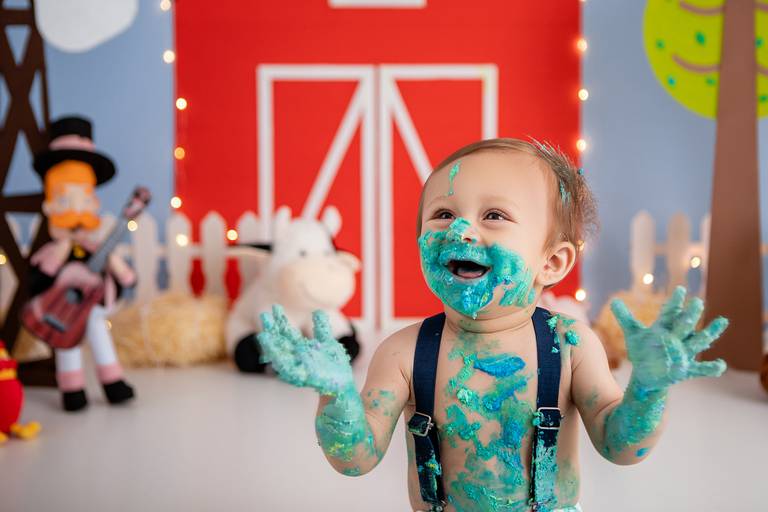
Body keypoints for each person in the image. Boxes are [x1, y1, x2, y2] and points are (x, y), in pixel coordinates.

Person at [257, 138, 728, 511]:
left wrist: (647, 389)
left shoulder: (570, 346)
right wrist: (335, 395)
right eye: (443, 214)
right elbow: (354, 460)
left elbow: (622, 448)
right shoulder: (403, 353)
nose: (460, 230)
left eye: (494, 215)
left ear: (553, 262)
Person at [27, 116, 137, 412]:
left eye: (83, 200)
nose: (76, 213)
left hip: (92, 308)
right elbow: (37, 281)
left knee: (96, 326)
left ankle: (112, 381)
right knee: (68, 341)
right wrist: (62, 249)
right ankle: (72, 388)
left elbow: (126, 280)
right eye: (66, 202)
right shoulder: (54, 251)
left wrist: (113, 259)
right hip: (63, 315)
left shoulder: (94, 246)